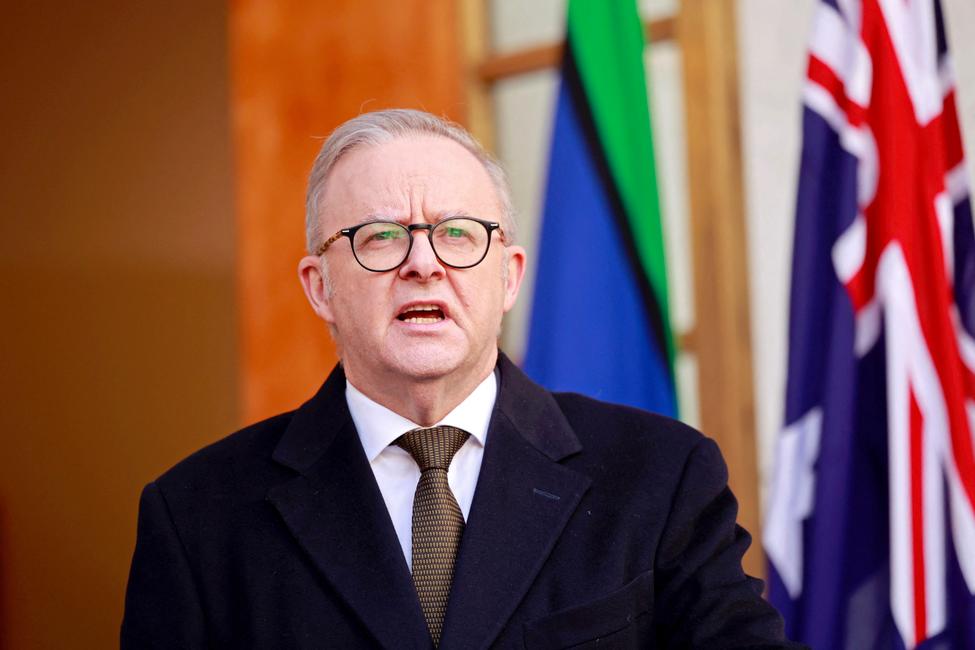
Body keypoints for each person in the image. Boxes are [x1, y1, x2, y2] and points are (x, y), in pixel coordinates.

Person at [122, 109, 799, 648]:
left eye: (457, 233)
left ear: (507, 275)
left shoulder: (660, 473)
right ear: (319, 285)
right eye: (380, 236)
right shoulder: (195, 517)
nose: (422, 263)